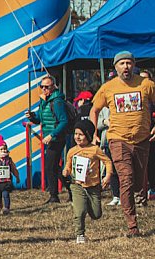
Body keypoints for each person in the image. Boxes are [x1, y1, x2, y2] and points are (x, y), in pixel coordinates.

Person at [90, 51, 155, 237]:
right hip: (118, 138)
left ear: (134, 65)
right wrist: (93, 133)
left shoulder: (146, 84)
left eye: (128, 63)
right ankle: (132, 225)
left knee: (138, 182)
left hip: (142, 139)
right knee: (126, 178)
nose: (125, 66)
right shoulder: (108, 87)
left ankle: (135, 195)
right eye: (121, 63)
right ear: (115, 67)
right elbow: (95, 110)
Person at [62, 120, 112, 244]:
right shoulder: (72, 151)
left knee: (96, 214)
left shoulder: (95, 150)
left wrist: (108, 176)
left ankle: (89, 204)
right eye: (75, 134)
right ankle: (80, 234)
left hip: (93, 186)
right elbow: (68, 166)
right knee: (80, 211)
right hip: (77, 185)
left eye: (81, 134)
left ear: (88, 135)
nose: (77, 137)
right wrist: (66, 171)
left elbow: (108, 161)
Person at [25, 75, 70, 204]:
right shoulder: (44, 101)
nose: (44, 89)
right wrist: (32, 117)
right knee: (54, 167)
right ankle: (70, 188)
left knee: (51, 167)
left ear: (53, 86)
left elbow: (64, 121)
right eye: (42, 86)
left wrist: (52, 135)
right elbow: (40, 118)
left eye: (47, 87)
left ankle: (54, 195)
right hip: (49, 138)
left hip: (56, 138)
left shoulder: (57, 102)